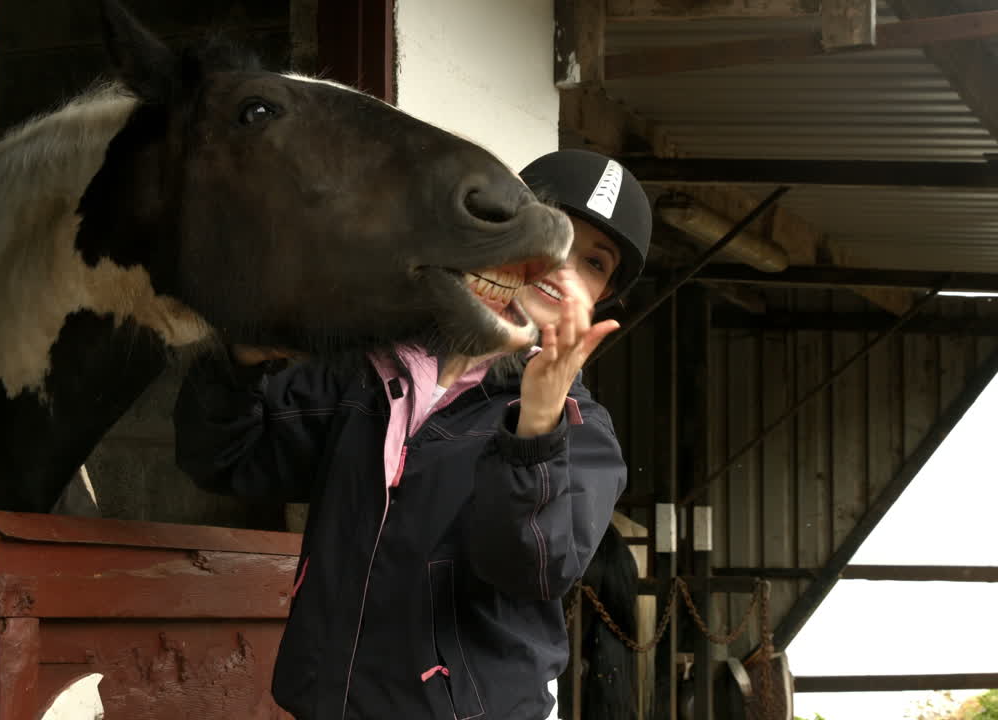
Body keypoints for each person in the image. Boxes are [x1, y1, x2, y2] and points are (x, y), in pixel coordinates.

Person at [172, 148, 652, 720]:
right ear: (499, 231)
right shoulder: (368, 369)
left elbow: (534, 568)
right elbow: (225, 456)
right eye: (554, 233)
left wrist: (536, 424)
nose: (564, 266)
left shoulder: (581, 428)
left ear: (603, 299)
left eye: (595, 263)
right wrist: (243, 357)